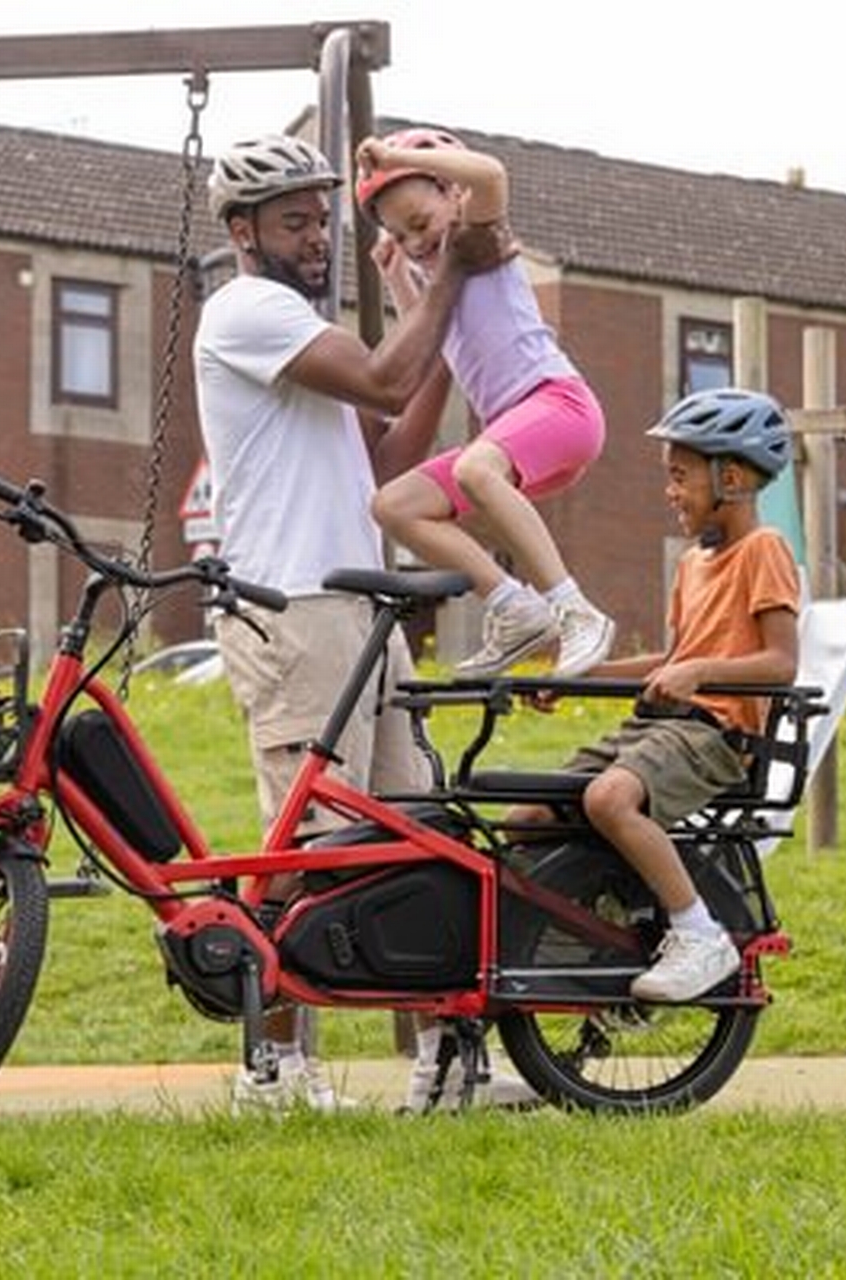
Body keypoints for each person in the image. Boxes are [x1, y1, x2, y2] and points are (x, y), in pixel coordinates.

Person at [196, 134, 504, 1111]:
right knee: (311, 845)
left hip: (363, 603)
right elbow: (381, 379)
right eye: (293, 221)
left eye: (321, 218)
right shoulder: (247, 311)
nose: (316, 236)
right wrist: (450, 272)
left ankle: (442, 1064)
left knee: (413, 837)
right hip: (292, 605)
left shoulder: (304, 333)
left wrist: (434, 321)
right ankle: (273, 1070)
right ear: (243, 232)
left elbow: (389, 452)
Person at [530, 387, 800, 1002]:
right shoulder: (691, 565)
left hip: (715, 736)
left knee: (609, 798)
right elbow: (672, 663)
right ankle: (573, 943)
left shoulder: (764, 551)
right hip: (661, 730)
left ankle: (699, 934)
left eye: (680, 477)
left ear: (731, 478)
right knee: (531, 818)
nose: (670, 492)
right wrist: (579, 675)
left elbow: (782, 662)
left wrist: (699, 673)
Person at [354, 127, 615, 680]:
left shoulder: (480, 239)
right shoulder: (434, 272)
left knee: (474, 467)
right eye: (399, 235)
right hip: (518, 439)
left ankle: (576, 611)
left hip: (559, 406)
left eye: (420, 223)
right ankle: (514, 608)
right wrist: (395, 274)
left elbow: (492, 175)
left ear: (454, 195)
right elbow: (427, 337)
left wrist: (392, 158)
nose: (415, 242)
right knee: (393, 505)